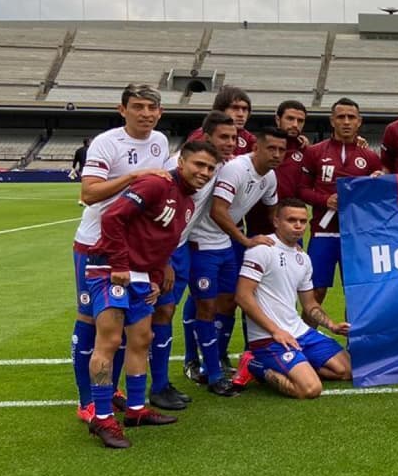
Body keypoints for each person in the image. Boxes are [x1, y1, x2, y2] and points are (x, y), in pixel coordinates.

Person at [82, 140, 220, 448]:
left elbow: (161, 244)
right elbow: (112, 217)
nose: (204, 172)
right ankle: (101, 418)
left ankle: (135, 410)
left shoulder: (187, 202)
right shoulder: (156, 184)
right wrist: (120, 265)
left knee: (142, 340)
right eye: (199, 164)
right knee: (109, 341)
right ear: (181, 162)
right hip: (110, 269)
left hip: (141, 276)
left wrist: (155, 278)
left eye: (210, 168)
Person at [70, 84, 173, 424]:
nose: (146, 113)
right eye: (138, 106)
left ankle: (112, 390)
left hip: (133, 249)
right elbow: (89, 194)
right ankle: (87, 401)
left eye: (152, 108)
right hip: (94, 246)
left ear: (160, 112)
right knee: (91, 321)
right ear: (122, 110)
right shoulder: (106, 142)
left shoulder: (160, 142)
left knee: (129, 323)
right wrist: (133, 176)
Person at [186, 127, 286, 396]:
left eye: (281, 150)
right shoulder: (236, 169)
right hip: (201, 241)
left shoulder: (270, 176)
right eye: (271, 148)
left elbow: (273, 212)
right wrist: (245, 240)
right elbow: (218, 211)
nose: (276, 154)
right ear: (256, 148)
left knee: (229, 302)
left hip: (223, 244)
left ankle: (216, 362)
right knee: (206, 306)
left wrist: (284, 239)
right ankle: (210, 372)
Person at [155, 111, 237, 410]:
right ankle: (152, 385)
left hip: (181, 249)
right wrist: (162, 259)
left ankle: (164, 383)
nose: (230, 143)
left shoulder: (221, 166)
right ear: (206, 136)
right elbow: (154, 219)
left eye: (233, 138)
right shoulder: (172, 171)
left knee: (166, 312)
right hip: (162, 253)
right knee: (153, 316)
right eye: (223, 137)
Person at [230, 199, 352, 398]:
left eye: (302, 221)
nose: (298, 226)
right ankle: (255, 364)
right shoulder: (262, 249)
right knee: (310, 389)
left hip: (300, 332)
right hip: (269, 338)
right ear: (276, 221)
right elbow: (242, 297)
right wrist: (276, 331)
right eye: (291, 220)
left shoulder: (303, 258)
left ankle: (299, 362)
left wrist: (332, 326)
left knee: (346, 370)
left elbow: (310, 304)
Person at [299, 98, 383, 306]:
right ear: (332, 120)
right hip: (323, 233)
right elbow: (301, 190)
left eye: (351, 117)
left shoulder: (371, 157)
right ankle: (306, 329)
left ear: (359, 121)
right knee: (315, 292)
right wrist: (325, 200)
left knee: (356, 295)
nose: (346, 122)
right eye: (341, 117)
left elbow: (377, 199)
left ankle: (352, 330)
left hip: (356, 236)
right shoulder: (314, 152)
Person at [187, 85, 256, 153]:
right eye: (235, 108)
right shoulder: (200, 135)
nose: (241, 114)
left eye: (244, 109)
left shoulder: (249, 139)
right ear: (220, 110)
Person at [274, 99, 309, 198]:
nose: (295, 125)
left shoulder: (307, 152)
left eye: (300, 121)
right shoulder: (259, 147)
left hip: (292, 206)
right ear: (278, 120)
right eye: (290, 119)